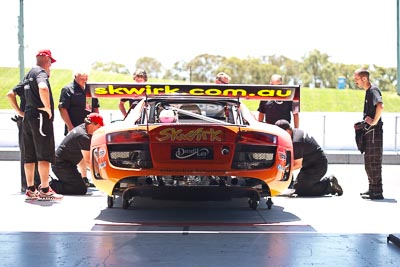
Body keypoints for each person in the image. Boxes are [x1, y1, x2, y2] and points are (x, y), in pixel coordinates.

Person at [22, 49, 63, 200]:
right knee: (44, 154)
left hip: (28, 116)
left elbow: (12, 93)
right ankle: (45, 190)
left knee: (29, 155)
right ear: (45, 58)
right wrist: (47, 108)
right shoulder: (40, 73)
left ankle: (31, 189)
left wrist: (22, 112)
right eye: (50, 61)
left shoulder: (28, 74)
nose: (50, 64)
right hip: (40, 118)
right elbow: (43, 88)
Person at [275, 119, 343, 197]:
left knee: (302, 191)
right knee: (297, 187)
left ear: (287, 131)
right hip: (310, 163)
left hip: (317, 166)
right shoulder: (295, 132)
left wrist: (280, 170)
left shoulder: (296, 142)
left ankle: (329, 185)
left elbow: (297, 164)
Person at [50, 113, 104, 195]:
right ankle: (49, 185)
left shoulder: (83, 128)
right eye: (98, 127)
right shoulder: (83, 136)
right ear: (92, 124)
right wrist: (102, 176)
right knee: (80, 189)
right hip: (61, 165)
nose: (99, 130)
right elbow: (89, 162)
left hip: (66, 164)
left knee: (79, 185)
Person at [353, 69, 384, 200]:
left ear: (364, 78)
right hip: (370, 132)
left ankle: (377, 191)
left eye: (357, 79)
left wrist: (374, 122)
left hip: (374, 133)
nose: (356, 82)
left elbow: (380, 106)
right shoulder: (368, 92)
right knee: (369, 161)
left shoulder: (373, 90)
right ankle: (373, 189)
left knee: (373, 161)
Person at [6, 86, 41, 192]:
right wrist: (20, 112)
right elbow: (10, 94)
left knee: (36, 152)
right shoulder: (26, 83)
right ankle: (27, 184)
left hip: (35, 121)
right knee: (27, 153)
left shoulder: (37, 82)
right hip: (26, 121)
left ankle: (37, 182)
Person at [58, 70, 100, 136]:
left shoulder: (90, 89)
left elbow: (95, 107)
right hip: (74, 126)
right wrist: (69, 126)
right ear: (75, 77)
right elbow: (62, 108)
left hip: (89, 127)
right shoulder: (68, 89)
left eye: (86, 78)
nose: (84, 80)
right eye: (81, 78)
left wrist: (97, 124)